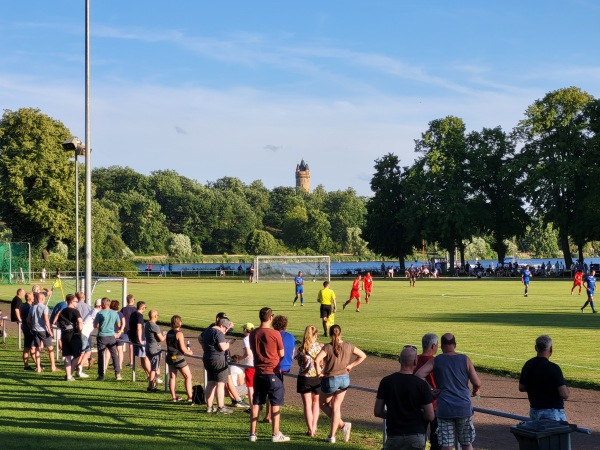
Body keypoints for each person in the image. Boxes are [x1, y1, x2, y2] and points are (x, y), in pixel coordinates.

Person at [415, 333, 481, 450]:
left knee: (446, 445)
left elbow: (419, 374)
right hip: (463, 408)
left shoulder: (437, 360)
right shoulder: (465, 359)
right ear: (455, 345)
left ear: (441, 346)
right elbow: (477, 382)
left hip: (445, 408)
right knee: (467, 444)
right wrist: (475, 391)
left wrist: (430, 390)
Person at [314, 324, 367, 444]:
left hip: (330, 379)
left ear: (330, 334)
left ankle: (339, 429)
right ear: (340, 333)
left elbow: (317, 360)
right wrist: (350, 365)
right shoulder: (348, 346)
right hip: (344, 379)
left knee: (323, 404)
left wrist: (319, 373)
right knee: (336, 406)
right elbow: (362, 355)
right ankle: (336, 432)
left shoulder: (328, 347)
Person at [375, 345, 435, 450]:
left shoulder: (386, 381)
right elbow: (430, 416)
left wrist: (393, 415)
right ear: (415, 362)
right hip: (416, 436)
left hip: (394, 436)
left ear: (399, 360)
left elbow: (378, 412)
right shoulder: (422, 385)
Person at [248, 306, 289, 443]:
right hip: (272, 371)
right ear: (271, 318)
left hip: (258, 372)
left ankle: (252, 433)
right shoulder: (275, 333)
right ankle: (275, 433)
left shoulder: (253, 333)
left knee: (256, 403)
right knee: (275, 403)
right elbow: (282, 353)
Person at [519, 335, 569, 421]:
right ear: (551, 349)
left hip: (534, 410)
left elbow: (521, 387)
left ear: (536, 348)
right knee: (559, 434)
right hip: (552, 412)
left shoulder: (528, 364)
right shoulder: (554, 368)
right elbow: (564, 394)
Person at [201, 316, 234, 414]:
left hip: (207, 358)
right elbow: (223, 347)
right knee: (220, 384)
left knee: (210, 383)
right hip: (219, 360)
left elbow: (201, 339)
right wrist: (229, 343)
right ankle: (221, 407)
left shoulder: (207, 331)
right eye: (226, 328)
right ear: (222, 326)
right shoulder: (218, 333)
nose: (226, 331)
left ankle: (209, 407)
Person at [296, 325, 323, 437]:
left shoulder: (301, 349)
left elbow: (299, 364)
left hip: (304, 377)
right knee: (316, 403)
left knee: (307, 405)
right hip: (317, 377)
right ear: (315, 335)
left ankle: (310, 430)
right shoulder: (320, 347)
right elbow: (322, 362)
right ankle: (314, 426)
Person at [415, 333, 440, 450]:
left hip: (416, 405)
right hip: (434, 405)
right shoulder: (436, 362)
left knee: (418, 437)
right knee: (436, 439)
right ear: (433, 346)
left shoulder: (414, 359)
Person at [27, 290, 59, 373]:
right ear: (42, 299)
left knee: (37, 348)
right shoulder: (44, 307)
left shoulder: (32, 307)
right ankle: (53, 366)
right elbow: (46, 319)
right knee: (50, 348)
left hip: (35, 330)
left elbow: (28, 320)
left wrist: (31, 328)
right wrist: (49, 330)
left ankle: (38, 367)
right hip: (43, 330)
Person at [166, 315, 194, 402]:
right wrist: (190, 352)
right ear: (179, 323)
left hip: (170, 357)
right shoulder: (179, 333)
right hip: (178, 358)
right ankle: (190, 396)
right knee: (188, 376)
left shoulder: (169, 332)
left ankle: (174, 397)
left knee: (172, 377)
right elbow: (183, 348)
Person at [93, 297, 122, 381]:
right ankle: (118, 374)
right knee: (114, 355)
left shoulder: (100, 313)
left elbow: (95, 325)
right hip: (111, 336)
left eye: (102, 303)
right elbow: (119, 325)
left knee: (101, 356)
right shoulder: (114, 313)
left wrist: (101, 325)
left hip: (102, 336)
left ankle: (101, 375)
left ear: (104, 304)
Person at [57, 294, 83, 381]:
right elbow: (80, 321)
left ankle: (68, 375)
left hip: (64, 335)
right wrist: (80, 330)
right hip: (74, 335)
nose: (77, 303)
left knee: (67, 355)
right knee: (77, 355)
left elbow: (58, 324)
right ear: (71, 301)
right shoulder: (75, 311)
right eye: (76, 301)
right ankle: (69, 374)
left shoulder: (62, 311)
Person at [145, 309, 166, 392]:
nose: (158, 316)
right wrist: (165, 336)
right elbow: (161, 338)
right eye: (157, 315)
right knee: (154, 368)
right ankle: (151, 386)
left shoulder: (147, 324)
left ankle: (152, 385)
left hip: (148, 347)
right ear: (155, 316)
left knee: (154, 367)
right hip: (154, 349)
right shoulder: (154, 326)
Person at [129, 301, 151, 379]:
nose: (145, 309)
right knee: (145, 358)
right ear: (142, 307)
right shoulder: (139, 316)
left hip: (134, 339)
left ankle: (148, 375)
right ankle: (153, 376)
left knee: (142, 358)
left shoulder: (133, 314)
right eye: (145, 307)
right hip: (140, 339)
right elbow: (139, 328)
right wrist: (140, 340)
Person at [75, 291, 93, 377]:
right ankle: (79, 365)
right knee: (86, 350)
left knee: (79, 349)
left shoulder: (75, 306)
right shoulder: (88, 306)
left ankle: (78, 365)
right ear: (84, 297)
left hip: (77, 330)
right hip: (86, 331)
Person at [20, 292, 36, 370]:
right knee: (30, 347)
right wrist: (31, 329)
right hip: (28, 329)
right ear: (29, 298)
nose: (34, 298)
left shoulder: (24, 306)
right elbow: (29, 320)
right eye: (32, 297)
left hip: (25, 328)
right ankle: (36, 364)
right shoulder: (28, 307)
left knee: (28, 346)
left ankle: (28, 365)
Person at [120, 294, 137, 366]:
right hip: (132, 330)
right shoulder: (135, 309)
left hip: (124, 329)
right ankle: (131, 362)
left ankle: (120, 361)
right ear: (133, 300)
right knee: (131, 346)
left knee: (120, 346)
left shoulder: (123, 309)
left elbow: (120, 318)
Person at [110, 300, 126, 371]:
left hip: (112, 333)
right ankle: (120, 365)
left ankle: (115, 364)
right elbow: (123, 323)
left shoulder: (110, 314)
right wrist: (120, 331)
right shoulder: (120, 314)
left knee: (112, 349)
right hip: (120, 333)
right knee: (120, 349)